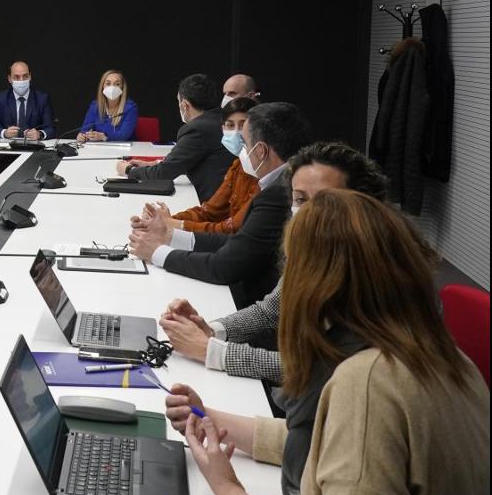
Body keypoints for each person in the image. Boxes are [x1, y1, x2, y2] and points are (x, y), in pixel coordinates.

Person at [164, 190, 488, 495]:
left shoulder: (366, 382)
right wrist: (206, 417)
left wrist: (228, 490)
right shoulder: (445, 357)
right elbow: (324, 444)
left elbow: (351, 437)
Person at [160, 142, 391, 385]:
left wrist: (211, 351)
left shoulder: (374, 274)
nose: (309, 212)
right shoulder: (309, 248)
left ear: (362, 204)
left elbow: (320, 369)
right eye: (300, 199)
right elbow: (269, 311)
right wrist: (211, 330)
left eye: (323, 201)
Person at [128, 102, 313, 308]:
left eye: (244, 143)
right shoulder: (279, 182)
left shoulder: (278, 193)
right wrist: (170, 236)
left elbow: (224, 266)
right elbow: (239, 241)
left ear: (261, 151)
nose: (241, 150)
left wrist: (156, 252)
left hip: (255, 303)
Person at [116, 74, 232, 202]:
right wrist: (154, 164)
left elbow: (164, 173)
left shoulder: (197, 129)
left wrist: (129, 170)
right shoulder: (222, 119)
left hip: (213, 203)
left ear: (185, 105)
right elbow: (188, 161)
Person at [153, 97, 260, 235]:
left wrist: (177, 224)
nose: (237, 132)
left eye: (243, 125)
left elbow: (232, 228)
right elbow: (209, 211)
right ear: (223, 128)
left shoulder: (262, 174)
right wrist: (165, 220)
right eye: (230, 125)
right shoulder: (238, 165)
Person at [0, 61, 56, 140]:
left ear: (30, 77)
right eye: (16, 77)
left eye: (25, 76)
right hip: (9, 146)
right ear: (9, 79)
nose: (21, 80)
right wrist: (5, 133)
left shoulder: (42, 98)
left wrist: (39, 134)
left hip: (33, 147)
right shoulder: (1, 98)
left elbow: (51, 129)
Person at [75, 69, 137, 142]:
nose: (112, 87)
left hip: (125, 150)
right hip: (99, 150)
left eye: (117, 84)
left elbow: (123, 136)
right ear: (102, 86)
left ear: (122, 87)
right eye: (108, 83)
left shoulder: (130, 107)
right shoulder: (95, 106)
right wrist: (81, 136)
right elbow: (84, 130)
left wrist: (103, 136)